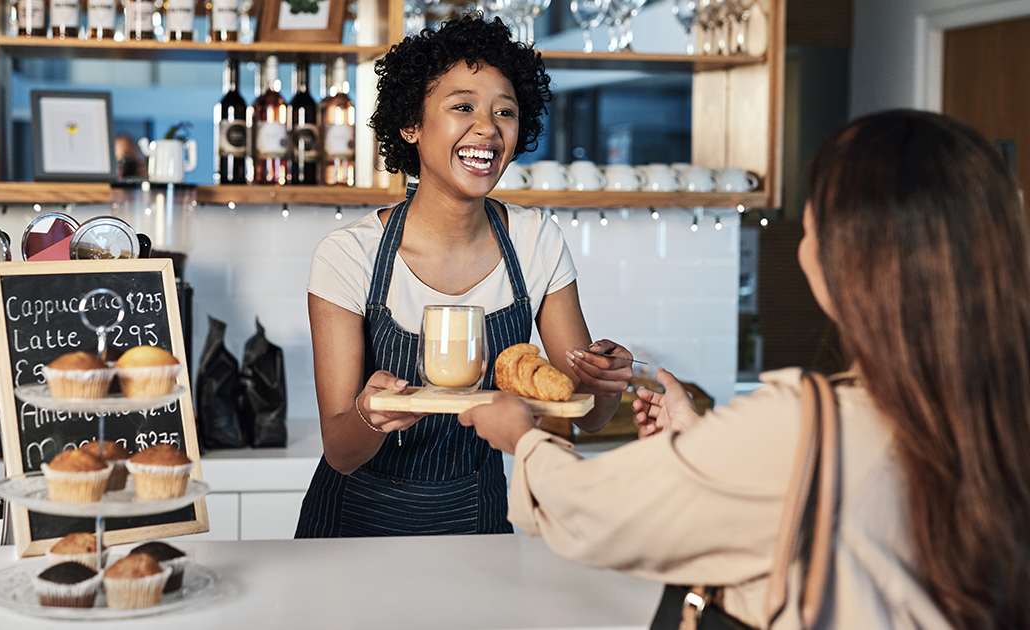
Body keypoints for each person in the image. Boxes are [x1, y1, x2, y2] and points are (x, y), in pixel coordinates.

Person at [459, 110, 1030, 629]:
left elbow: (594, 510)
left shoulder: (804, 422)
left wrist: (523, 440)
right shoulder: (998, 411)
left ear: (850, 258)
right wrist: (705, 445)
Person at [295, 14, 634, 538]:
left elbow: (583, 414)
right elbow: (340, 450)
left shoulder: (535, 242)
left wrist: (605, 382)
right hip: (353, 529)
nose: (488, 128)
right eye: (462, 107)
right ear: (410, 123)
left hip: (478, 521)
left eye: (505, 112)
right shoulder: (350, 256)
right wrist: (370, 414)